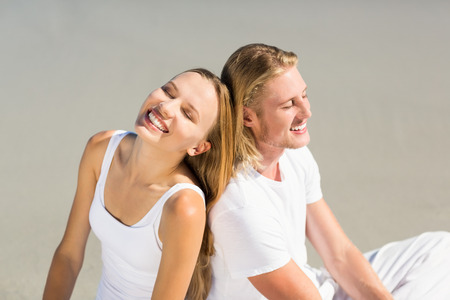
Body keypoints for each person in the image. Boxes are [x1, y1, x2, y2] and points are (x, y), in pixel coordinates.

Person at [208, 43, 450, 300]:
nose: (306, 112)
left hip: (316, 286)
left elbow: (339, 254)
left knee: (440, 250)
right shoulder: (241, 205)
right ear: (247, 117)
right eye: (289, 105)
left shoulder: (294, 154)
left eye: (304, 95)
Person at [43, 68, 235, 300]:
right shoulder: (101, 149)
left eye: (187, 113)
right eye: (168, 91)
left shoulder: (182, 206)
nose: (166, 107)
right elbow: (69, 255)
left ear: (198, 147)